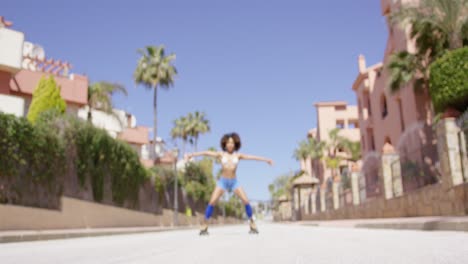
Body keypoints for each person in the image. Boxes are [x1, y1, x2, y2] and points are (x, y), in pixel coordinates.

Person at [185, 132, 273, 235]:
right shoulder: (221, 154)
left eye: (232, 143)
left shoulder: (238, 155)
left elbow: (252, 157)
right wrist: (192, 155)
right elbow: (206, 153)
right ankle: (204, 225)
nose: (230, 144)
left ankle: (252, 223)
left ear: (235, 144)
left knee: (246, 201)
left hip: (234, 182)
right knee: (212, 202)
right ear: (225, 144)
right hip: (223, 182)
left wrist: (266, 160)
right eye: (228, 143)